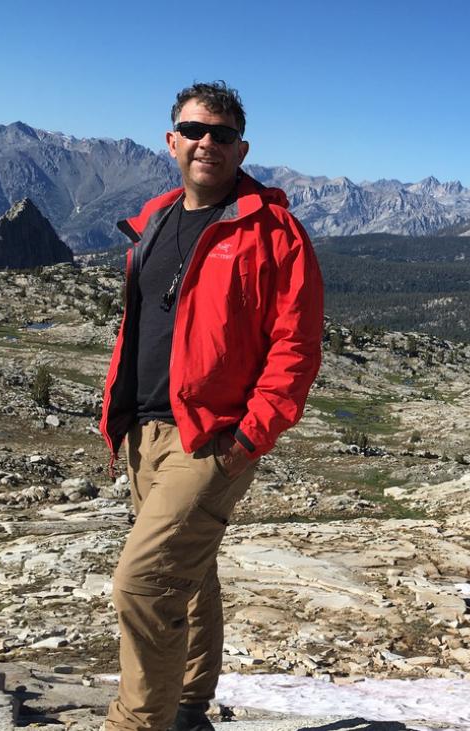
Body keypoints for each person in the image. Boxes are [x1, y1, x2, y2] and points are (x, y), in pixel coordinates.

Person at [98, 81, 324, 731]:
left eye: (221, 135)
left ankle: (139, 722)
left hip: (211, 437)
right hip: (143, 430)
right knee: (188, 576)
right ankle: (191, 704)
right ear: (172, 141)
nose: (207, 143)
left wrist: (249, 437)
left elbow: (296, 348)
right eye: (194, 131)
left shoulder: (275, 232)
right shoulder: (157, 215)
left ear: (241, 147)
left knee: (143, 583)